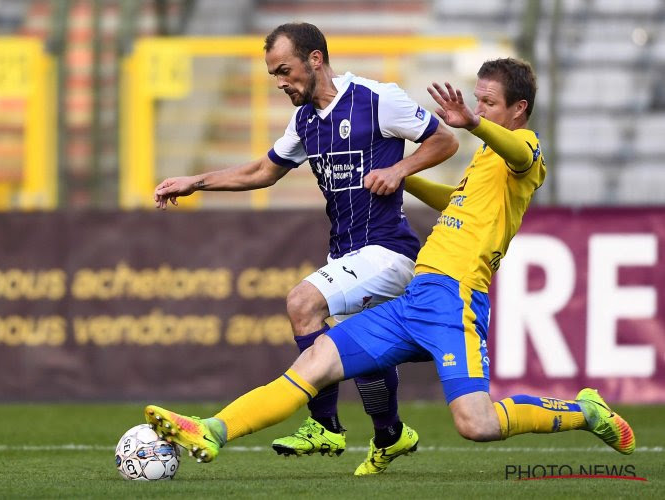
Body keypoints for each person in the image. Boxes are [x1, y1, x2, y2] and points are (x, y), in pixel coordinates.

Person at [145, 57, 635, 469]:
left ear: (518, 109)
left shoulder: (523, 148)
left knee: (477, 425)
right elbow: (456, 202)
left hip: (456, 298)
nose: (478, 108)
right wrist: (401, 174)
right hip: (418, 295)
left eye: (488, 103)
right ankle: (211, 430)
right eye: (477, 100)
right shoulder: (485, 164)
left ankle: (584, 411)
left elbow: (516, 153)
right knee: (313, 364)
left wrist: (472, 124)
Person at [153, 22, 459, 474]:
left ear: (315, 59)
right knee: (366, 353)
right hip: (347, 255)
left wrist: (401, 169)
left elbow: (444, 139)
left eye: (285, 70)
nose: (280, 82)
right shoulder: (304, 121)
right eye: (273, 74)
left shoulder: (377, 99)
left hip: (388, 252)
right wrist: (195, 182)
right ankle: (391, 434)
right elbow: (263, 170)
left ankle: (326, 426)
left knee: (302, 301)